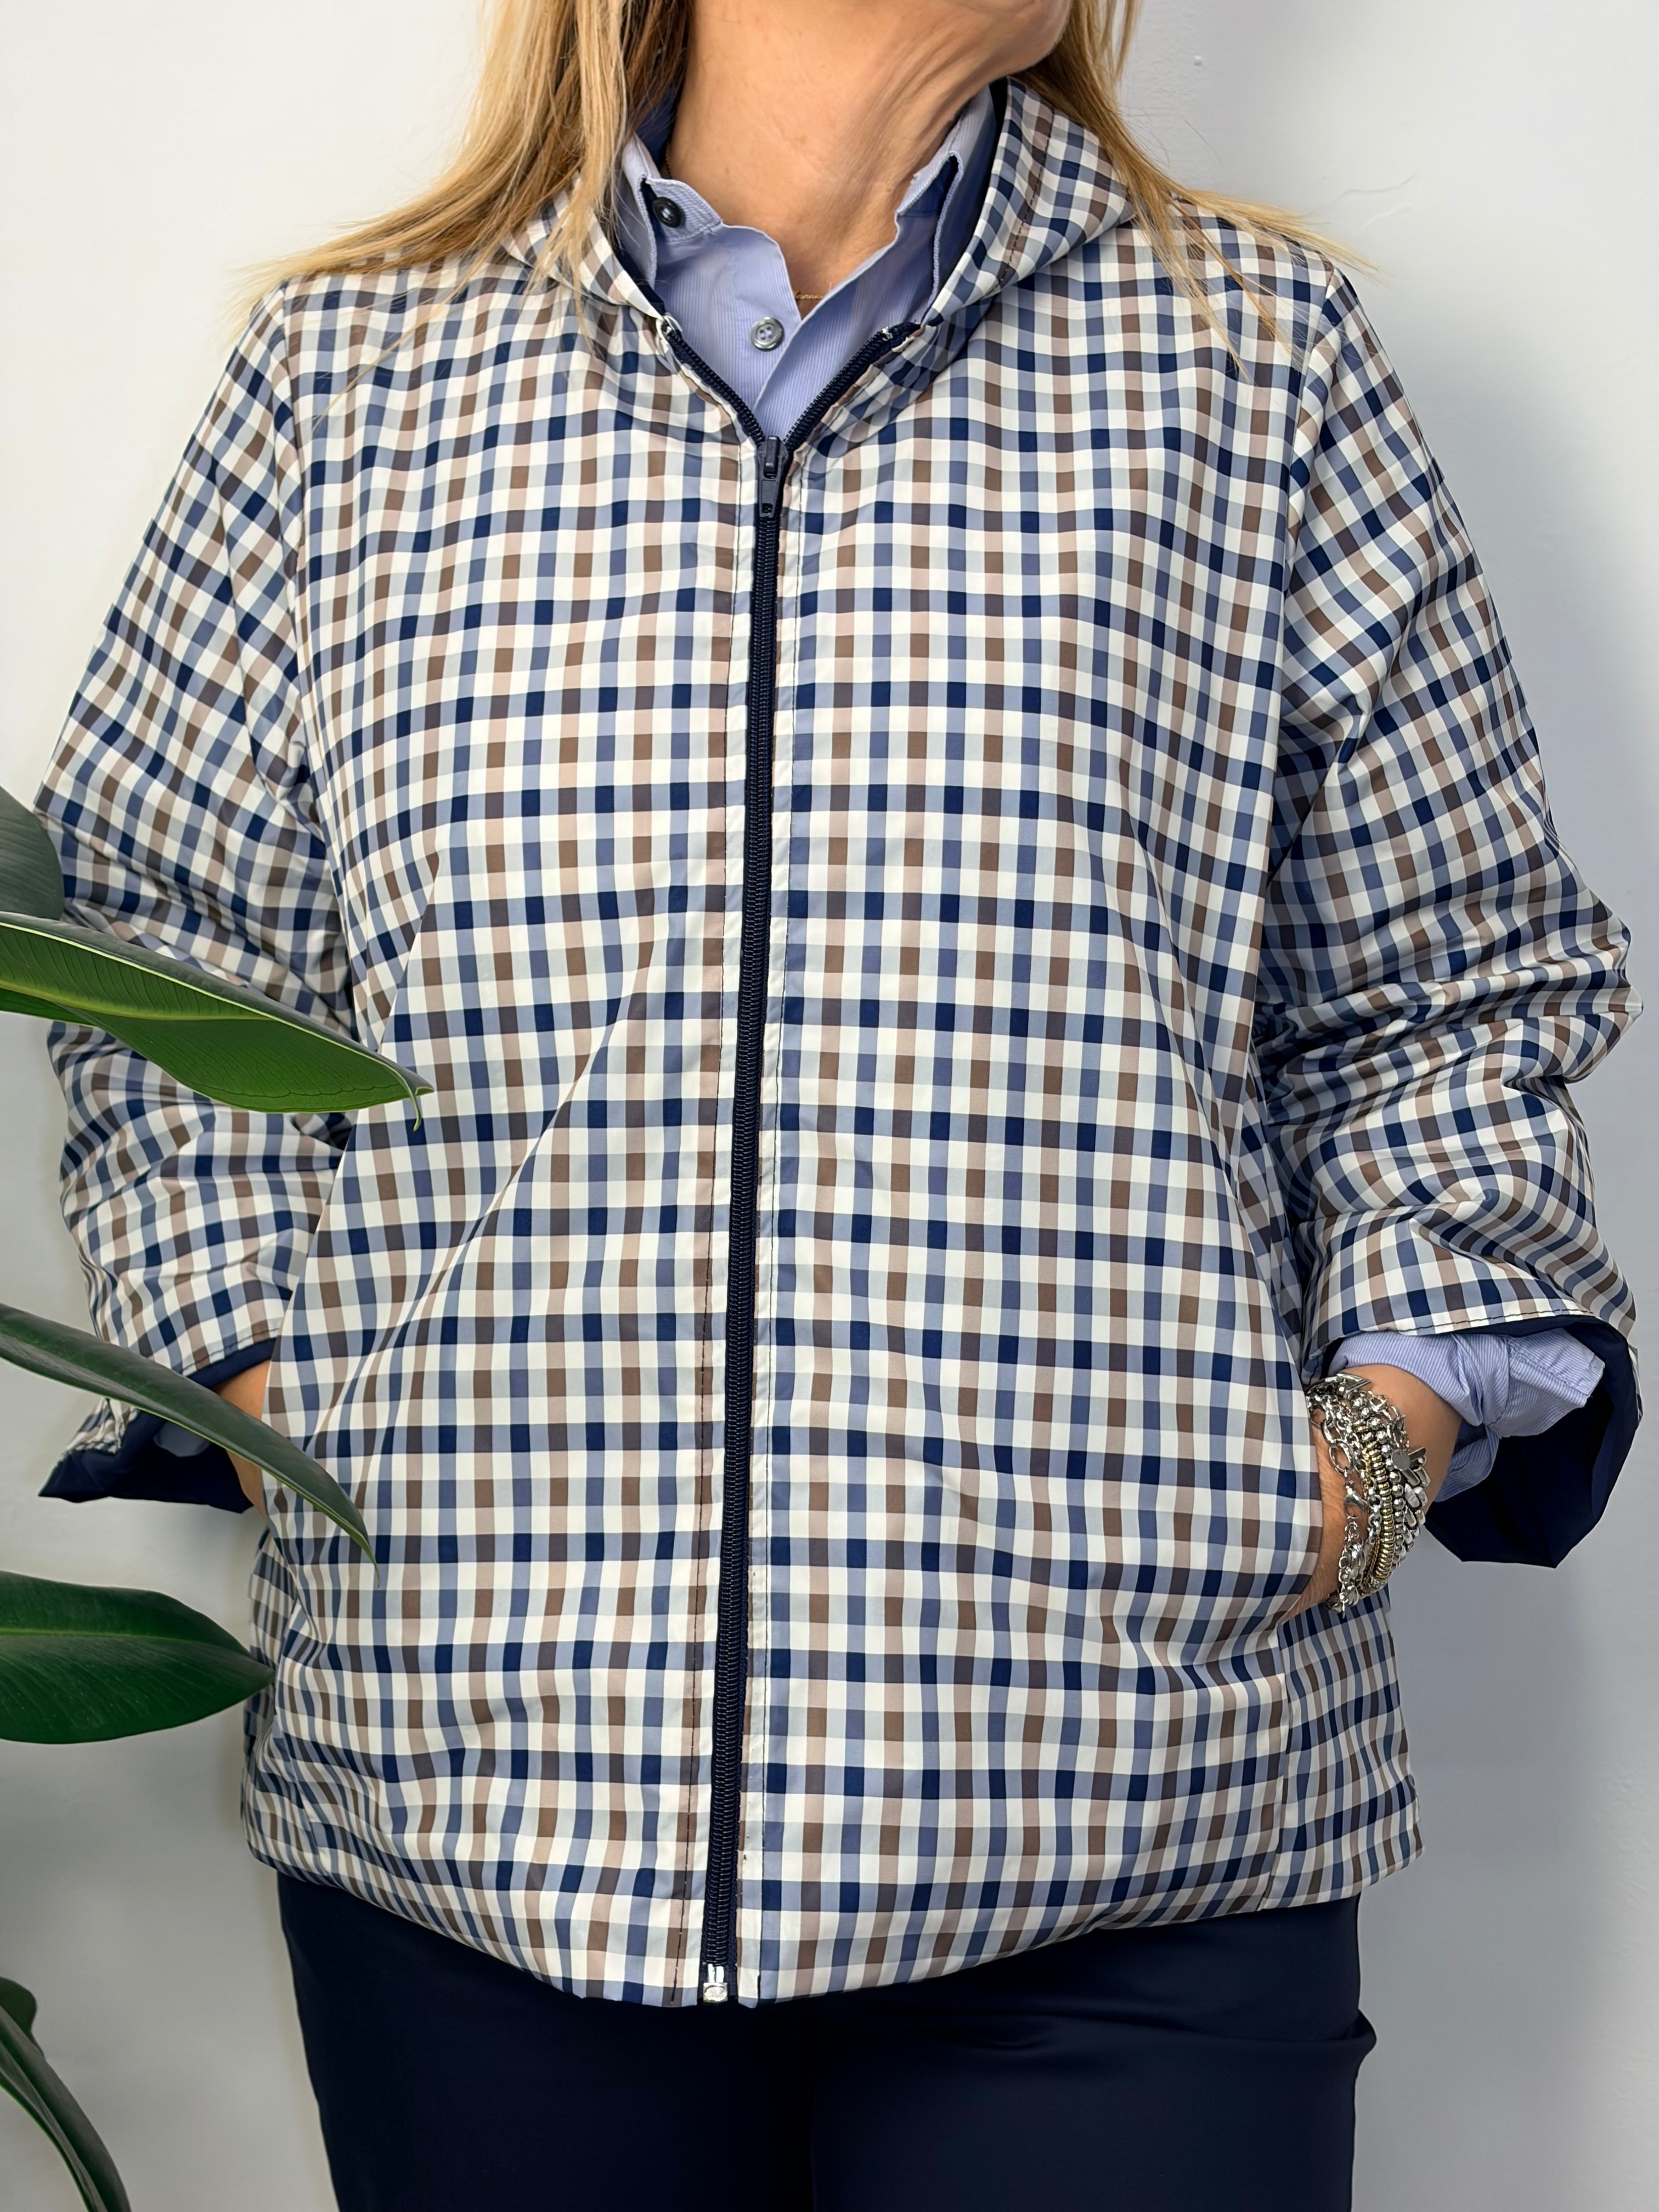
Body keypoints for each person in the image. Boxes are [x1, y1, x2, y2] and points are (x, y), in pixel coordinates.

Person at [34, 2, 1639, 2207]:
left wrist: (1367, 1458)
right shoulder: (354, 378)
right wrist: (267, 1394)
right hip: (488, 1817)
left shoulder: (1256, 361)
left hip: (1136, 1826)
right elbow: (156, 947)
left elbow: (1455, 982)